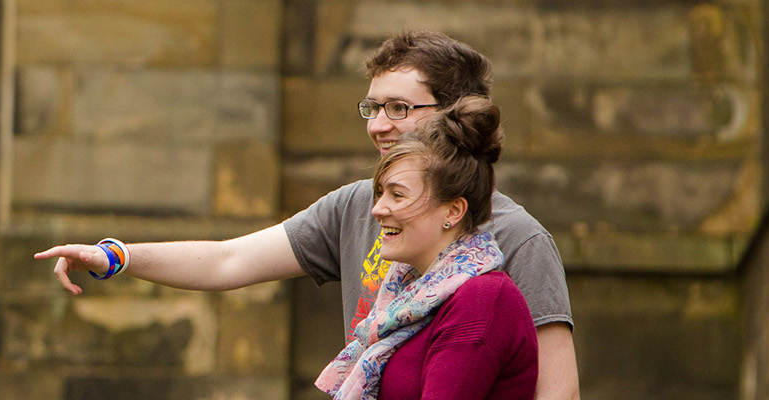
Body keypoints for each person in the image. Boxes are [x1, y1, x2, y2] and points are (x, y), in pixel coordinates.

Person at [32, 31, 578, 399]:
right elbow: (229, 260)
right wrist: (115, 256)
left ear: (453, 116)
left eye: (399, 108)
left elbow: (557, 393)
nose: (377, 124)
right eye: (372, 107)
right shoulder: (353, 208)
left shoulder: (517, 240)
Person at [317, 95, 536, 399]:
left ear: (452, 212)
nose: (377, 209)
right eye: (380, 194)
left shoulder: (482, 299)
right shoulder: (406, 296)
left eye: (397, 195)